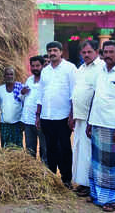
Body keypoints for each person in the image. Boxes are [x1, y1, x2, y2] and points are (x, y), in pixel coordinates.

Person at [86, 40, 115, 212]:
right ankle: (98, 195)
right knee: (97, 162)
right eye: (105, 52)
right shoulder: (100, 72)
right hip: (97, 123)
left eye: (111, 52)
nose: (107, 55)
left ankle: (114, 199)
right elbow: (95, 97)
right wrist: (89, 123)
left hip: (113, 126)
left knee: (113, 165)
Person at [36, 41, 76, 189]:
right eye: (49, 51)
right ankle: (52, 179)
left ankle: (66, 179)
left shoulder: (70, 68)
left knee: (64, 148)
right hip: (47, 116)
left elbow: (73, 94)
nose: (52, 53)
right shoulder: (45, 71)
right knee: (50, 148)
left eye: (54, 50)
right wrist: (38, 115)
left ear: (61, 52)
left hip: (63, 117)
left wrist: (72, 115)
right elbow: (40, 94)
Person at [69, 40, 103, 197]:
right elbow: (75, 93)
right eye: (84, 53)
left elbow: (98, 95)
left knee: (90, 152)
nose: (86, 55)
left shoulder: (101, 68)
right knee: (79, 151)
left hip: (93, 119)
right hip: (79, 117)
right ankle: (83, 182)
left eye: (89, 52)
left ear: (96, 51)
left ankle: (91, 185)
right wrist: (71, 115)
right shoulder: (80, 69)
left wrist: (91, 120)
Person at [21, 55, 47, 164]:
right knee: (30, 149)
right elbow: (24, 99)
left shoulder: (46, 80)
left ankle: (46, 173)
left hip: (41, 120)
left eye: (37, 66)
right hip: (28, 121)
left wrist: (39, 117)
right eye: (33, 66)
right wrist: (22, 93)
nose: (35, 68)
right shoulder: (29, 80)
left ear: (43, 66)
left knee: (44, 149)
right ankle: (32, 173)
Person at [0, 67, 24, 148]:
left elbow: (25, 106)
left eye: (11, 74)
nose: (9, 76)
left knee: (18, 148)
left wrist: (23, 121)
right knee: (5, 148)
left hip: (17, 124)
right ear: (4, 76)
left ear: (14, 76)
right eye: (7, 74)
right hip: (4, 124)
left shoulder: (21, 88)